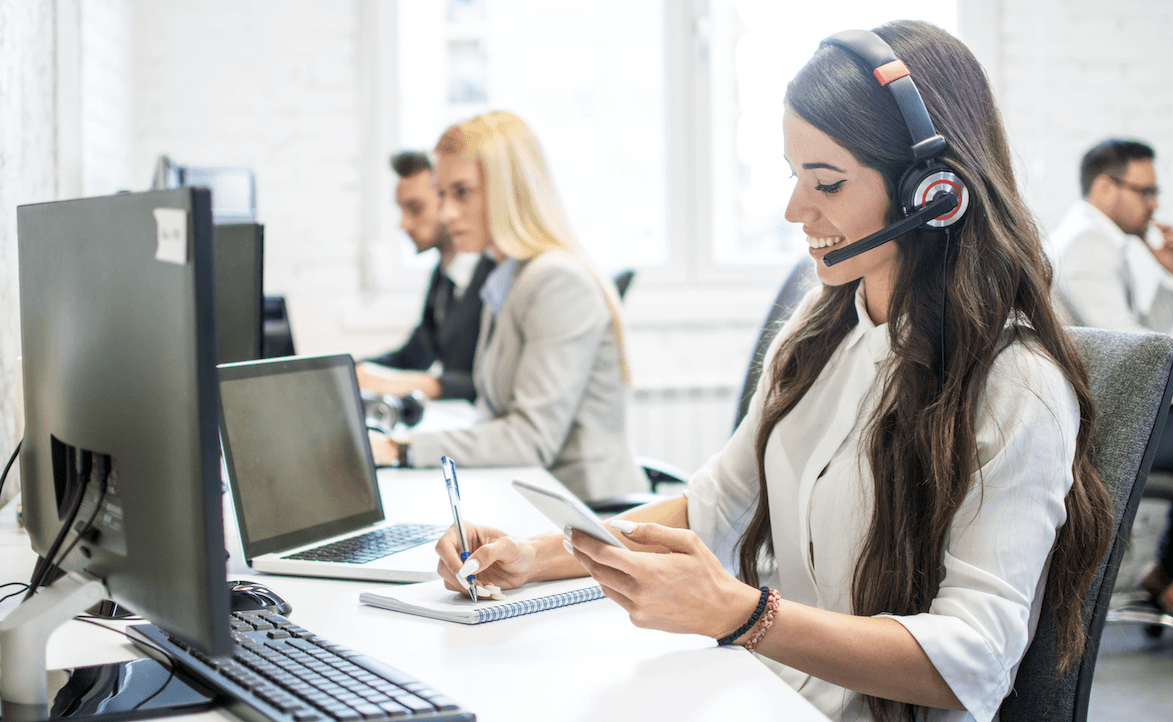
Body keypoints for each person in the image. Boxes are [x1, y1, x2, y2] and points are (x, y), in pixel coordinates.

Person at [432, 21, 1115, 722]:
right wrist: (531, 552)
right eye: (795, 176)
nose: (795, 210)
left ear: (932, 194)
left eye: (827, 182)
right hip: (766, 691)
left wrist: (742, 613)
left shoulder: (1015, 385)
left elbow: (974, 656)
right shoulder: (822, 327)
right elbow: (717, 501)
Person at [371, 112, 648, 503]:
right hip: (535, 498)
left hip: (587, 513)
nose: (446, 213)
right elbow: (493, 414)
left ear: (512, 192)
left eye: (462, 192)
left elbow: (530, 439)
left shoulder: (556, 281)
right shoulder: (507, 277)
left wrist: (402, 449)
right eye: (443, 193)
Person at [1049, 139, 1173, 635]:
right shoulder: (1087, 246)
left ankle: (1167, 575)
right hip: (1103, 430)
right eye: (1146, 190)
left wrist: (1172, 278)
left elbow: (1142, 348)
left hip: (1108, 415)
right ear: (1105, 187)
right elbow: (1137, 363)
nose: (1155, 202)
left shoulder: (1093, 240)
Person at [357, 150, 496, 402]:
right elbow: (416, 356)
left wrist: (419, 384)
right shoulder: (443, 277)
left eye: (415, 208)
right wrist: (355, 370)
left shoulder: (495, 277)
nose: (404, 224)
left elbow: (492, 384)